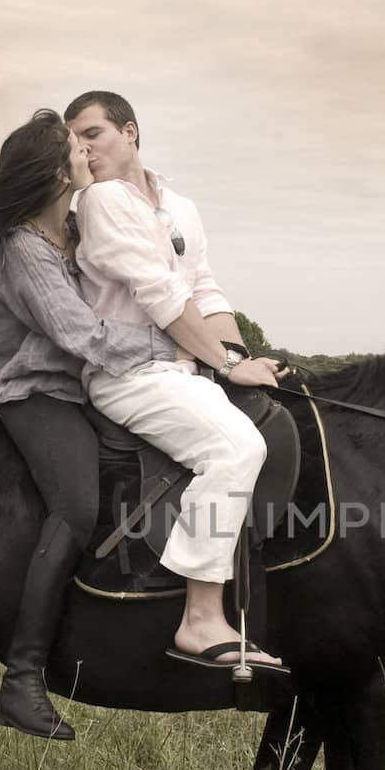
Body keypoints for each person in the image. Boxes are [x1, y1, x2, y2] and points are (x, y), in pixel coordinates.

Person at [0, 109, 173, 741]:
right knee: (76, 505)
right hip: (39, 396)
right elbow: (77, 332)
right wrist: (168, 346)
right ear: (54, 168)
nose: (87, 152)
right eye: (75, 146)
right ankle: (23, 677)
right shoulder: (22, 247)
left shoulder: (71, 231)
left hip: (91, 391)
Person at [63, 90, 288, 674]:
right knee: (236, 447)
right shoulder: (100, 200)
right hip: (128, 372)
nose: (83, 149)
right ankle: (200, 618)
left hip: (185, 368)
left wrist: (237, 354)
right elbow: (159, 294)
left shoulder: (179, 205)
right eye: (76, 140)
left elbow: (204, 289)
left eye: (94, 134)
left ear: (130, 131)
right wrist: (228, 366)